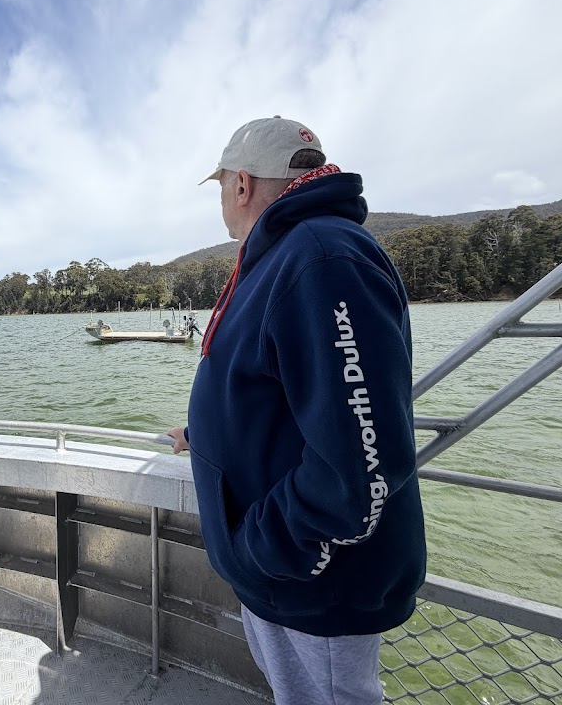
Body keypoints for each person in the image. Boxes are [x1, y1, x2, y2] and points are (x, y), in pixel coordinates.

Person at [167, 117, 426, 705]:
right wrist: (204, 433)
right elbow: (292, 395)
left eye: (221, 188)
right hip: (284, 576)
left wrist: (258, 548)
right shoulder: (293, 254)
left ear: (240, 184)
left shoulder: (320, 255)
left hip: (311, 580)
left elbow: (360, 461)